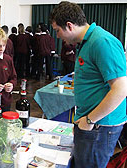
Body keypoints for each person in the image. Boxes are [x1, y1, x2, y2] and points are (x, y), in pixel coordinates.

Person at [50, 1, 127, 167]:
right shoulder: (87, 42)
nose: (57, 36)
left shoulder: (102, 42)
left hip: (99, 124)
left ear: (69, 26)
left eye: (57, 30)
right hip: (92, 122)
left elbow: (121, 89)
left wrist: (90, 120)